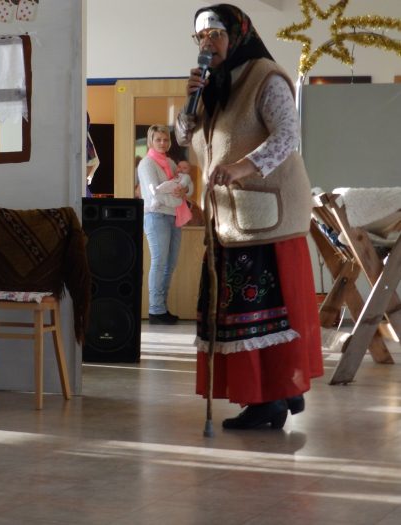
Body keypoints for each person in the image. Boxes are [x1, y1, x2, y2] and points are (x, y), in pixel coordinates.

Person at [175, 4, 322, 429]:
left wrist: (243, 167)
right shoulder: (213, 85)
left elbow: (287, 136)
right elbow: (186, 137)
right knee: (235, 311)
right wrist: (189, 103)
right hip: (229, 219)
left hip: (264, 217)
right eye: (201, 36)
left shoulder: (265, 77)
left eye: (216, 34)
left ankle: (271, 398)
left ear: (238, 35)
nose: (207, 43)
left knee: (263, 310)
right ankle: (272, 394)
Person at [137, 124, 194, 325]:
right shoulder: (146, 164)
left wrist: (183, 191)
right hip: (156, 216)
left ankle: (161, 307)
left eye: (166, 139)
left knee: (170, 263)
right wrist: (178, 196)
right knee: (160, 262)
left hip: (174, 216)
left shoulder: (170, 162)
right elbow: (155, 193)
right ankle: (155, 310)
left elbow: (186, 186)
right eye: (158, 139)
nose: (162, 143)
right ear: (151, 141)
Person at [176, 160, 206, 226]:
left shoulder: (187, 178)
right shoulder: (175, 177)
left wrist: (181, 187)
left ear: (189, 172)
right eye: (179, 167)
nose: (181, 169)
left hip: (186, 203)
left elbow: (188, 190)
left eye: (184, 168)